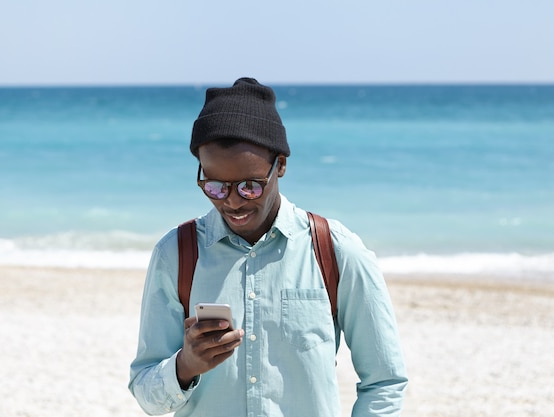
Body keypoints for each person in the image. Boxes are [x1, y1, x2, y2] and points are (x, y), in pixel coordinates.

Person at [128, 77, 408, 417]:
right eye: (215, 186)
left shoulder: (335, 250)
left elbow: (384, 383)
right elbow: (145, 394)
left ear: (281, 166)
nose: (232, 202)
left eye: (249, 186)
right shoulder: (176, 254)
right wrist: (185, 366)